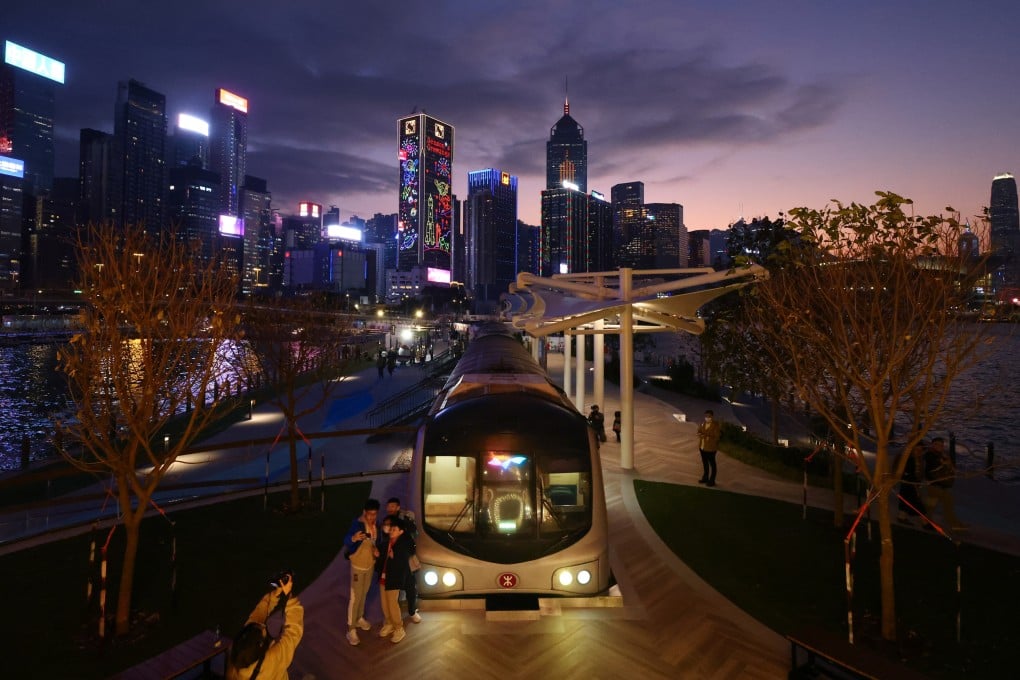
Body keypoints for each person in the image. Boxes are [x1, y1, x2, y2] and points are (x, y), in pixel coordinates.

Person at [226, 573, 303, 680]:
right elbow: (293, 633)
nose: (263, 626)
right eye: (262, 630)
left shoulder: (237, 654)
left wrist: (275, 596)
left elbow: (255, 618)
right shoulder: (272, 660)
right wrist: (289, 598)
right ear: (261, 646)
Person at [342, 498, 381, 646]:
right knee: (355, 596)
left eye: (375, 514)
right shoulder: (357, 524)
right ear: (364, 512)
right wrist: (353, 538)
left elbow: (373, 543)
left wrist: (375, 550)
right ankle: (350, 629)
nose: (372, 517)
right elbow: (346, 541)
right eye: (369, 514)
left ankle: (359, 618)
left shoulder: (375, 525)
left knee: (363, 594)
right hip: (358, 566)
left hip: (369, 565)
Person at [377, 516, 414, 644]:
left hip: (394, 578)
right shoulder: (387, 542)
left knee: (392, 603)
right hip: (383, 578)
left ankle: (399, 627)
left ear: (401, 531)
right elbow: (381, 559)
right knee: (384, 603)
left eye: (394, 529)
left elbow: (403, 563)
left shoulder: (402, 545)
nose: (391, 530)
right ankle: (389, 623)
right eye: (391, 528)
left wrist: (395, 556)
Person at [386, 497, 421, 623]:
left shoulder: (405, 518)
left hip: (407, 561)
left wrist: (406, 520)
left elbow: (414, 533)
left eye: (393, 506)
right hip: (394, 562)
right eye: (388, 506)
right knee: (394, 591)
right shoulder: (386, 522)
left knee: (411, 588)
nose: (390, 509)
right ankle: (394, 616)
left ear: (398, 507)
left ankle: (412, 611)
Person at [923, 437, 966, 530]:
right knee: (947, 502)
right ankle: (954, 524)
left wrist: (947, 462)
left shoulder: (942, 455)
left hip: (941, 484)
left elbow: (951, 468)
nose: (939, 447)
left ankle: (925, 521)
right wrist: (944, 462)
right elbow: (933, 467)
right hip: (934, 484)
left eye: (941, 445)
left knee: (932, 505)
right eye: (937, 444)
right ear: (932, 445)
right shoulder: (929, 455)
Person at [897, 441, 926, 524]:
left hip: (912, 484)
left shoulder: (919, 460)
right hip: (908, 484)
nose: (919, 452)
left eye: (920, 450)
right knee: (915, 503)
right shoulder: (909, 459)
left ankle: (901, 517)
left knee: (907, 502)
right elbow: (907, 472)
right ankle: (925, 523)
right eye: (917, 449)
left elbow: (919, 473)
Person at [697, 410, 721, 487]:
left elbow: (717, 437)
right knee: (705, 463)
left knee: (712, 464)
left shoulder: (715, 425)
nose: (707, 418)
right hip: (702, 447)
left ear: (712, 417)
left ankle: (712, 480)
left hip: (711, 449)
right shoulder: (703, 423)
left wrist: (706, 436)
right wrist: (700, 435)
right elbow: (699, 431)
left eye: (709, 416)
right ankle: (705, 478)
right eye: (706, 416)